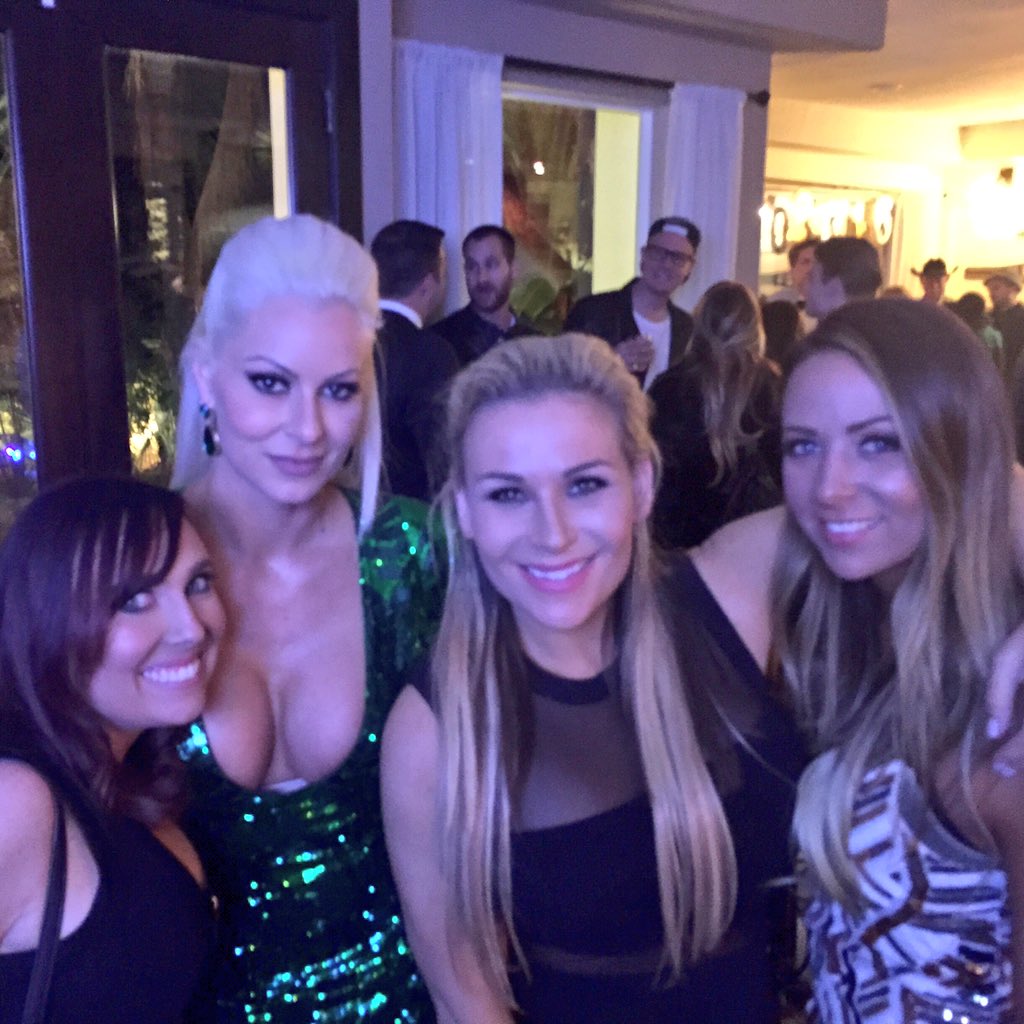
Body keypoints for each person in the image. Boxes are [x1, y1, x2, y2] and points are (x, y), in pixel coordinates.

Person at [381, 333, 804, 1023]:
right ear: (464, 513)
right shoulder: (433, 730)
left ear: (642, 485)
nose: (552, 534)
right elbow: (467, 1005)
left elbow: (940, 487)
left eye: (584, 484)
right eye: (508, 493)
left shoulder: (730, 591)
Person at [692, 299, 1024, 1022]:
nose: (830, 487)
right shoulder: (854, 625)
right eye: (802, 446)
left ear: (955, 447)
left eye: (878, 442)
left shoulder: (1007, 713)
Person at [172, 214, 444, 1023]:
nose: (308, 429)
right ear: (205, 377)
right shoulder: (130, 572)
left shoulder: (410, 556)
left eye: (338, 390)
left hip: (408, 1000)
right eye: (270, 383)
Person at [0, 477, 224, 1023]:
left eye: (198, 583)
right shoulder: (18, 799)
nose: (191, 628)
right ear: (50, 621)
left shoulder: (137, 767)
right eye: (134, 599)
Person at [649, 281, 781, 549]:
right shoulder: (774, 388)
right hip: (754, 540)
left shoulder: (669, 388)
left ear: (700, 322)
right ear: (754, 327)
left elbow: (654, 471)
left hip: (679, 544)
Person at [370, 218, 460, 501]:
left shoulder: (343, 337)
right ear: (428, 284)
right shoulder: (431, 354)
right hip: (408, 514)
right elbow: (442, 456)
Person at [564, 216, 699, 388]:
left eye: (678, 259)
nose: (666, 264)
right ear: (643, 256)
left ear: (689, 269)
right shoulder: (592, 312)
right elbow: (560, 378)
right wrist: (610, 363)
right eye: (658, 253)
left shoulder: (687, 328)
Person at [433, 225, 538, 367]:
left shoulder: (535, 343)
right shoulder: (441, 341)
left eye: (491, 264)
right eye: (472, 267)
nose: (481, 278)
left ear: (513, 269)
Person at [804, 236, 882, 320]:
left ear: (835, 287)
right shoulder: (883, 325)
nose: (806, 285)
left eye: (811, 278)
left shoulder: (836, 328)